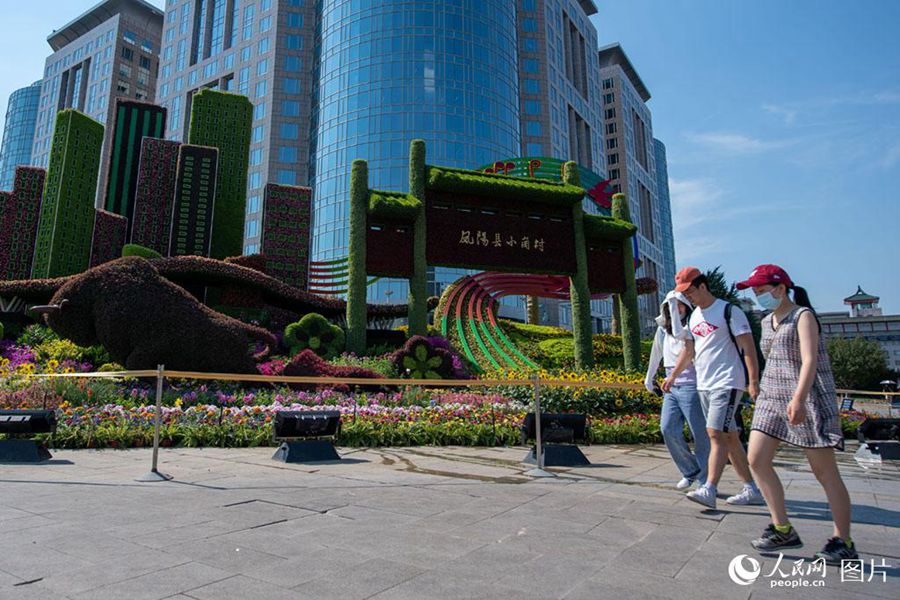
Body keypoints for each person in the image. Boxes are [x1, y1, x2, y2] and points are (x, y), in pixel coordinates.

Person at [736, 265, 857, 564]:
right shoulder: (766, 321)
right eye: (754, 291)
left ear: (780, 288)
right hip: (771, 399)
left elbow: (809, 360)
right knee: (756, 460)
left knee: (825, 473)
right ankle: (782, 529)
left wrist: (800, 398)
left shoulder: (803, 316)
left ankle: (843, 540)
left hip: (804, 400)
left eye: (761, 291)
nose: (757, 296)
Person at [663, 267, 764, 509]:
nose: (688, 297)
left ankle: (708, 487)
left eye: (689, 291)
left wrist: (753, 382)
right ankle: (751, 488)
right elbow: (689, 350)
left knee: (714, 434)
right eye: (683, 293)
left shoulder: (729, 311)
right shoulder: (696, 316)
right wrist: (673, 377)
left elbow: (748, 348)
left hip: (727, 382)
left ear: (702, 286)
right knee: (730, 438)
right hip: (705, 384)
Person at [645, 291, 710, 489]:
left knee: (699, 433)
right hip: (670, 386)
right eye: (672, 306)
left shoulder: (691, 327)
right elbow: (656, 353)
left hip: (691, 383)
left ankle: (705, 479)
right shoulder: (662, 331)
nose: (677, 309)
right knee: (668, 428)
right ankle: (691, 470)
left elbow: (688, 346)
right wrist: (650, 377)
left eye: (680, 305)